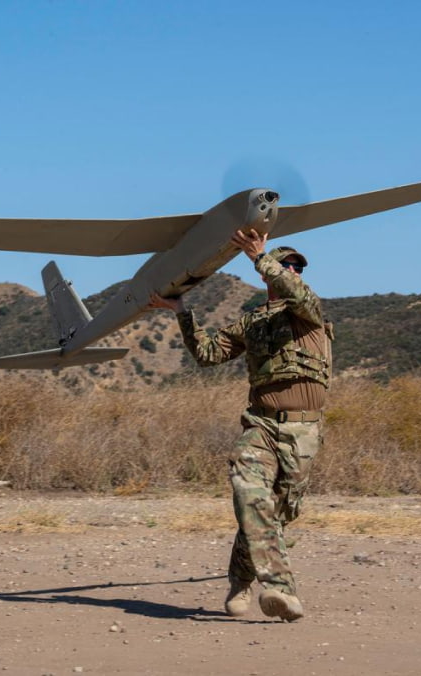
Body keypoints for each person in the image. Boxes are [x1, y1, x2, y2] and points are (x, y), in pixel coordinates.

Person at [149, 229, 333, 622]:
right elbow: (207, 353)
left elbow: (295, 292)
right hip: (262, 425)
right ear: (267, 276)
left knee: (277, 514)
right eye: (286, 264)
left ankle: (240, 578)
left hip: (303, 433)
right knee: (250, 493)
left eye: (297, 266)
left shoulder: (308, 311)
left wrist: (259, 256)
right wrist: (182, 312)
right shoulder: (253, 323)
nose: (292, 270)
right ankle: (279, 590)